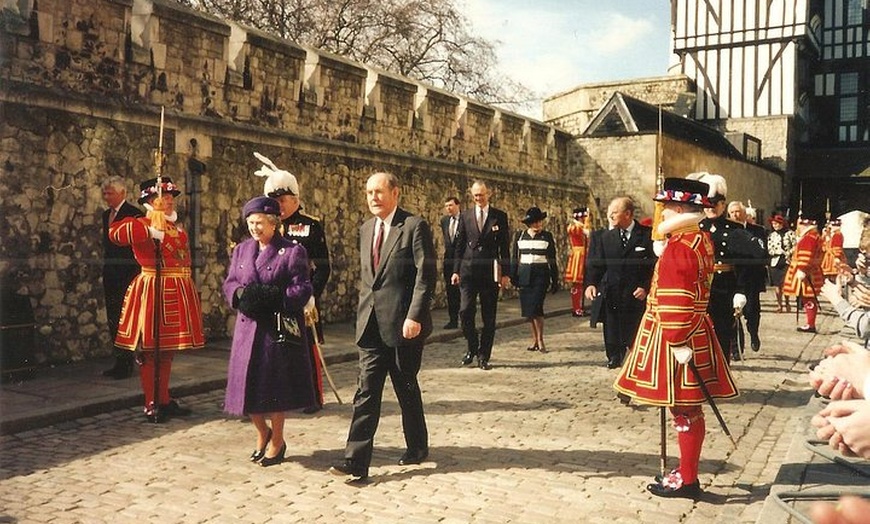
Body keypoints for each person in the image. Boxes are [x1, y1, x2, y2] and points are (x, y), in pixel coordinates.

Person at [614, 176, 738, 500]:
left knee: (683, 410)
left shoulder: (680, 247)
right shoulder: (698, 239)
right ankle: (687, 473)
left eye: (667, 206)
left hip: (677, 337)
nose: (663, 212)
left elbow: (676, 298)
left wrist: (675, 337)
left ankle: (688, 479)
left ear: (680, 207)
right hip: (693, 332)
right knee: (689, 410)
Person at [329, 171, 436, 482]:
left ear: (395, 193)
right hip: (371, 327)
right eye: (368, 193)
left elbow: (425, 276)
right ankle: (356, 462)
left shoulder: (413, 227)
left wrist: (414, 316)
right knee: (366, 392)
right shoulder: (365, 229)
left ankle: (417, 446)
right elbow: (370, 281)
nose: (373, 198)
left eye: (379, 192)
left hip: (403, 326)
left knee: (405, 388)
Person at [223, 196, 316, 467]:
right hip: (247, 329)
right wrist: (240, 295)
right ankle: (262, 432)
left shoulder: (292, 251)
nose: (254, 228)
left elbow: (302, 287)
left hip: (274, 331)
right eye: (251, 223)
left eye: (260, 223)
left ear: (274, 223)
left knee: (274, 388)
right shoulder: (242, 250)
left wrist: (276, 298)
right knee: (246, 388)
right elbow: (229, 282)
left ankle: (278, 441)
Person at [109, 176, 204, 422]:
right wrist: (148, 230)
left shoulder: (175, 227)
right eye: (164, 197)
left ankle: (164, 398)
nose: (170, 201)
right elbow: (116, 233)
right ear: (150, 201)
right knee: (151, 350)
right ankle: (151, 402)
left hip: (175, 289)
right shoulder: (143, 223)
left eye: (172, 197)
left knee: (167, 350)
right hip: (154, 289)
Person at [254, 152, 331, 414]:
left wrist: (310, 296)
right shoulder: (265, 226)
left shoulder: (311, 226)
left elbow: (323, 267)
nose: (279, 205)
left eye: (284, 200)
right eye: (274, 200)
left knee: (306, 350)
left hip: (301, 298)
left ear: (296, 199)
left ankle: (313, 397)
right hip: (273, 298)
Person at [691, 172, 767, 362]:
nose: (710, 208)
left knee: (723, 332)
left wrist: (741, 290)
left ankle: (721, 375)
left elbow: (748, 263)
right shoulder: (696, 227)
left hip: (725, 287)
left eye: (715, 203)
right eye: (707, 204)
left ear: (723, 204)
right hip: (700, 287)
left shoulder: (734, 230)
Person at [584, 196, 655, 368]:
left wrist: (646, 287)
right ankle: (614, 356)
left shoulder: (646, 235)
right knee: (611, 327)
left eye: (615, 213)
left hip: (635, 294)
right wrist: (591, 284)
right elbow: (595, 264)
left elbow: (654, 266)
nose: (611, 216)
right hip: (611, 291)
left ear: (628, 214)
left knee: (634, 329)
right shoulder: (603, 237)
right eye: (609, 213)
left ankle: (636, 358)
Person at [451, 180, 511, 371]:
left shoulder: (499, 216)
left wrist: (505, 274)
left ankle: (484, 355)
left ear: (489, 194)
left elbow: (504, 247)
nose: (479, 198)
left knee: (489, 316)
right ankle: (472, 347)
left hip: (488, 272)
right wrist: (455, 270)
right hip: (468, 271)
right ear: (472, 195)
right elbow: (459, 245)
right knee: (465, 311)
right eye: (476, 195)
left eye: (482, 195)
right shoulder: (466, 216)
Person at [100, 176, 142, 379]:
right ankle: (119, 361)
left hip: (128, 275)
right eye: (105, 193)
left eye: (110, 193)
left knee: (127, 319)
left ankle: (127, 363)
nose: (106, 197)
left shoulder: (134, 214)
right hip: (111, 274)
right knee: (113, 318)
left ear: (122, 193)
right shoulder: (106, 215)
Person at [510, 207, 559, 353]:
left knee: (537, 308)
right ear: (529, 223)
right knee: (528, 311)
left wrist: (554, 279)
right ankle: (534, 339)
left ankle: (541, 339)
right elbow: (514, 258)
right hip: (524, 274)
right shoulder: (520, 236)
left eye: (539, 221)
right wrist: (513, 275)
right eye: (534, 222)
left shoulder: (547, 236)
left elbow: (552, 259)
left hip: (541, 275)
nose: (538, 224)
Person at [727, 200, 768, 352]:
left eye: (738, 211)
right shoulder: (727, 230)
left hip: (751, 276)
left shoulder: (757, 230)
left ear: (744, 213)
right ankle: (736, 348)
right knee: (731, 312)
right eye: (732, 212)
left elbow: (762, 252)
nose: (735, 215)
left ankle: (754, 333)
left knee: (751, 311)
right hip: (733, 276)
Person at [782, 218, 825, 333]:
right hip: (812, 271)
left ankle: (810, 324)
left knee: (808, 297)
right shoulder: (814, 236)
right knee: (809, 297)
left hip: (807, 273)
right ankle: (810, 323)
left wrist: (802, 269)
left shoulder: (808, 238)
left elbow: (806, 255)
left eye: (801, 224)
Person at [440, 196, 462, 329]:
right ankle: (453, 319)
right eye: (447, 206)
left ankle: (465, 319)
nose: (449, 208)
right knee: (451, 291)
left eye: (451, 205)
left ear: (457, 205)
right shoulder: (445, 221)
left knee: (463, 291)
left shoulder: (465, 220)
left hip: (462, 260)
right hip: (449, 260)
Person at [767, 214, 796, 313]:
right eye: (773, 224)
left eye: (776, 224)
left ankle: (787, 303)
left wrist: (789, 252)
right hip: (775, 262)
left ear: (782, 224)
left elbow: (796, 246)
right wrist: (776, 252)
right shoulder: (772, 235)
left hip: (787, 261)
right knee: (777, 285)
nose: (774, 226)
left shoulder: (790, 233)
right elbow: (769, 249)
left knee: (785, 284)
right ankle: (779, 305)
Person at [564, 207, 590, 317]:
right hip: (578, 255)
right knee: (577, 283)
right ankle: (576, 307)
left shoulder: (581, 227)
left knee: (581, 284)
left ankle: (578, 307)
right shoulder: (574, 227)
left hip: (584, 254)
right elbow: (581, 232)